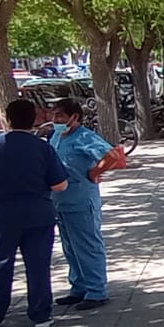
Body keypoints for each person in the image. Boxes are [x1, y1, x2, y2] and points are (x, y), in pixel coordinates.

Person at [0, 99, 69, 327]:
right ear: (33, 119)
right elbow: (60, 185)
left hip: (0, 215)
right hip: (37, 214)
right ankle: (41, 314)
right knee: (38, 265)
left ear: (8, 118)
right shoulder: (43, 147)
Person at [50, 97, 121, 309]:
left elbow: (112, 155)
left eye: (60, 116)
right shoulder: (56, 136)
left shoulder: (84, 137)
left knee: (88, 244)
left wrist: (95, 172)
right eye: (54, 115)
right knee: (70, 246)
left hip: (80, 199)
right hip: (60, 201)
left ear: (74, 117)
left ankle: (97, 290)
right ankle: (78, 286)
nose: (55, 119)